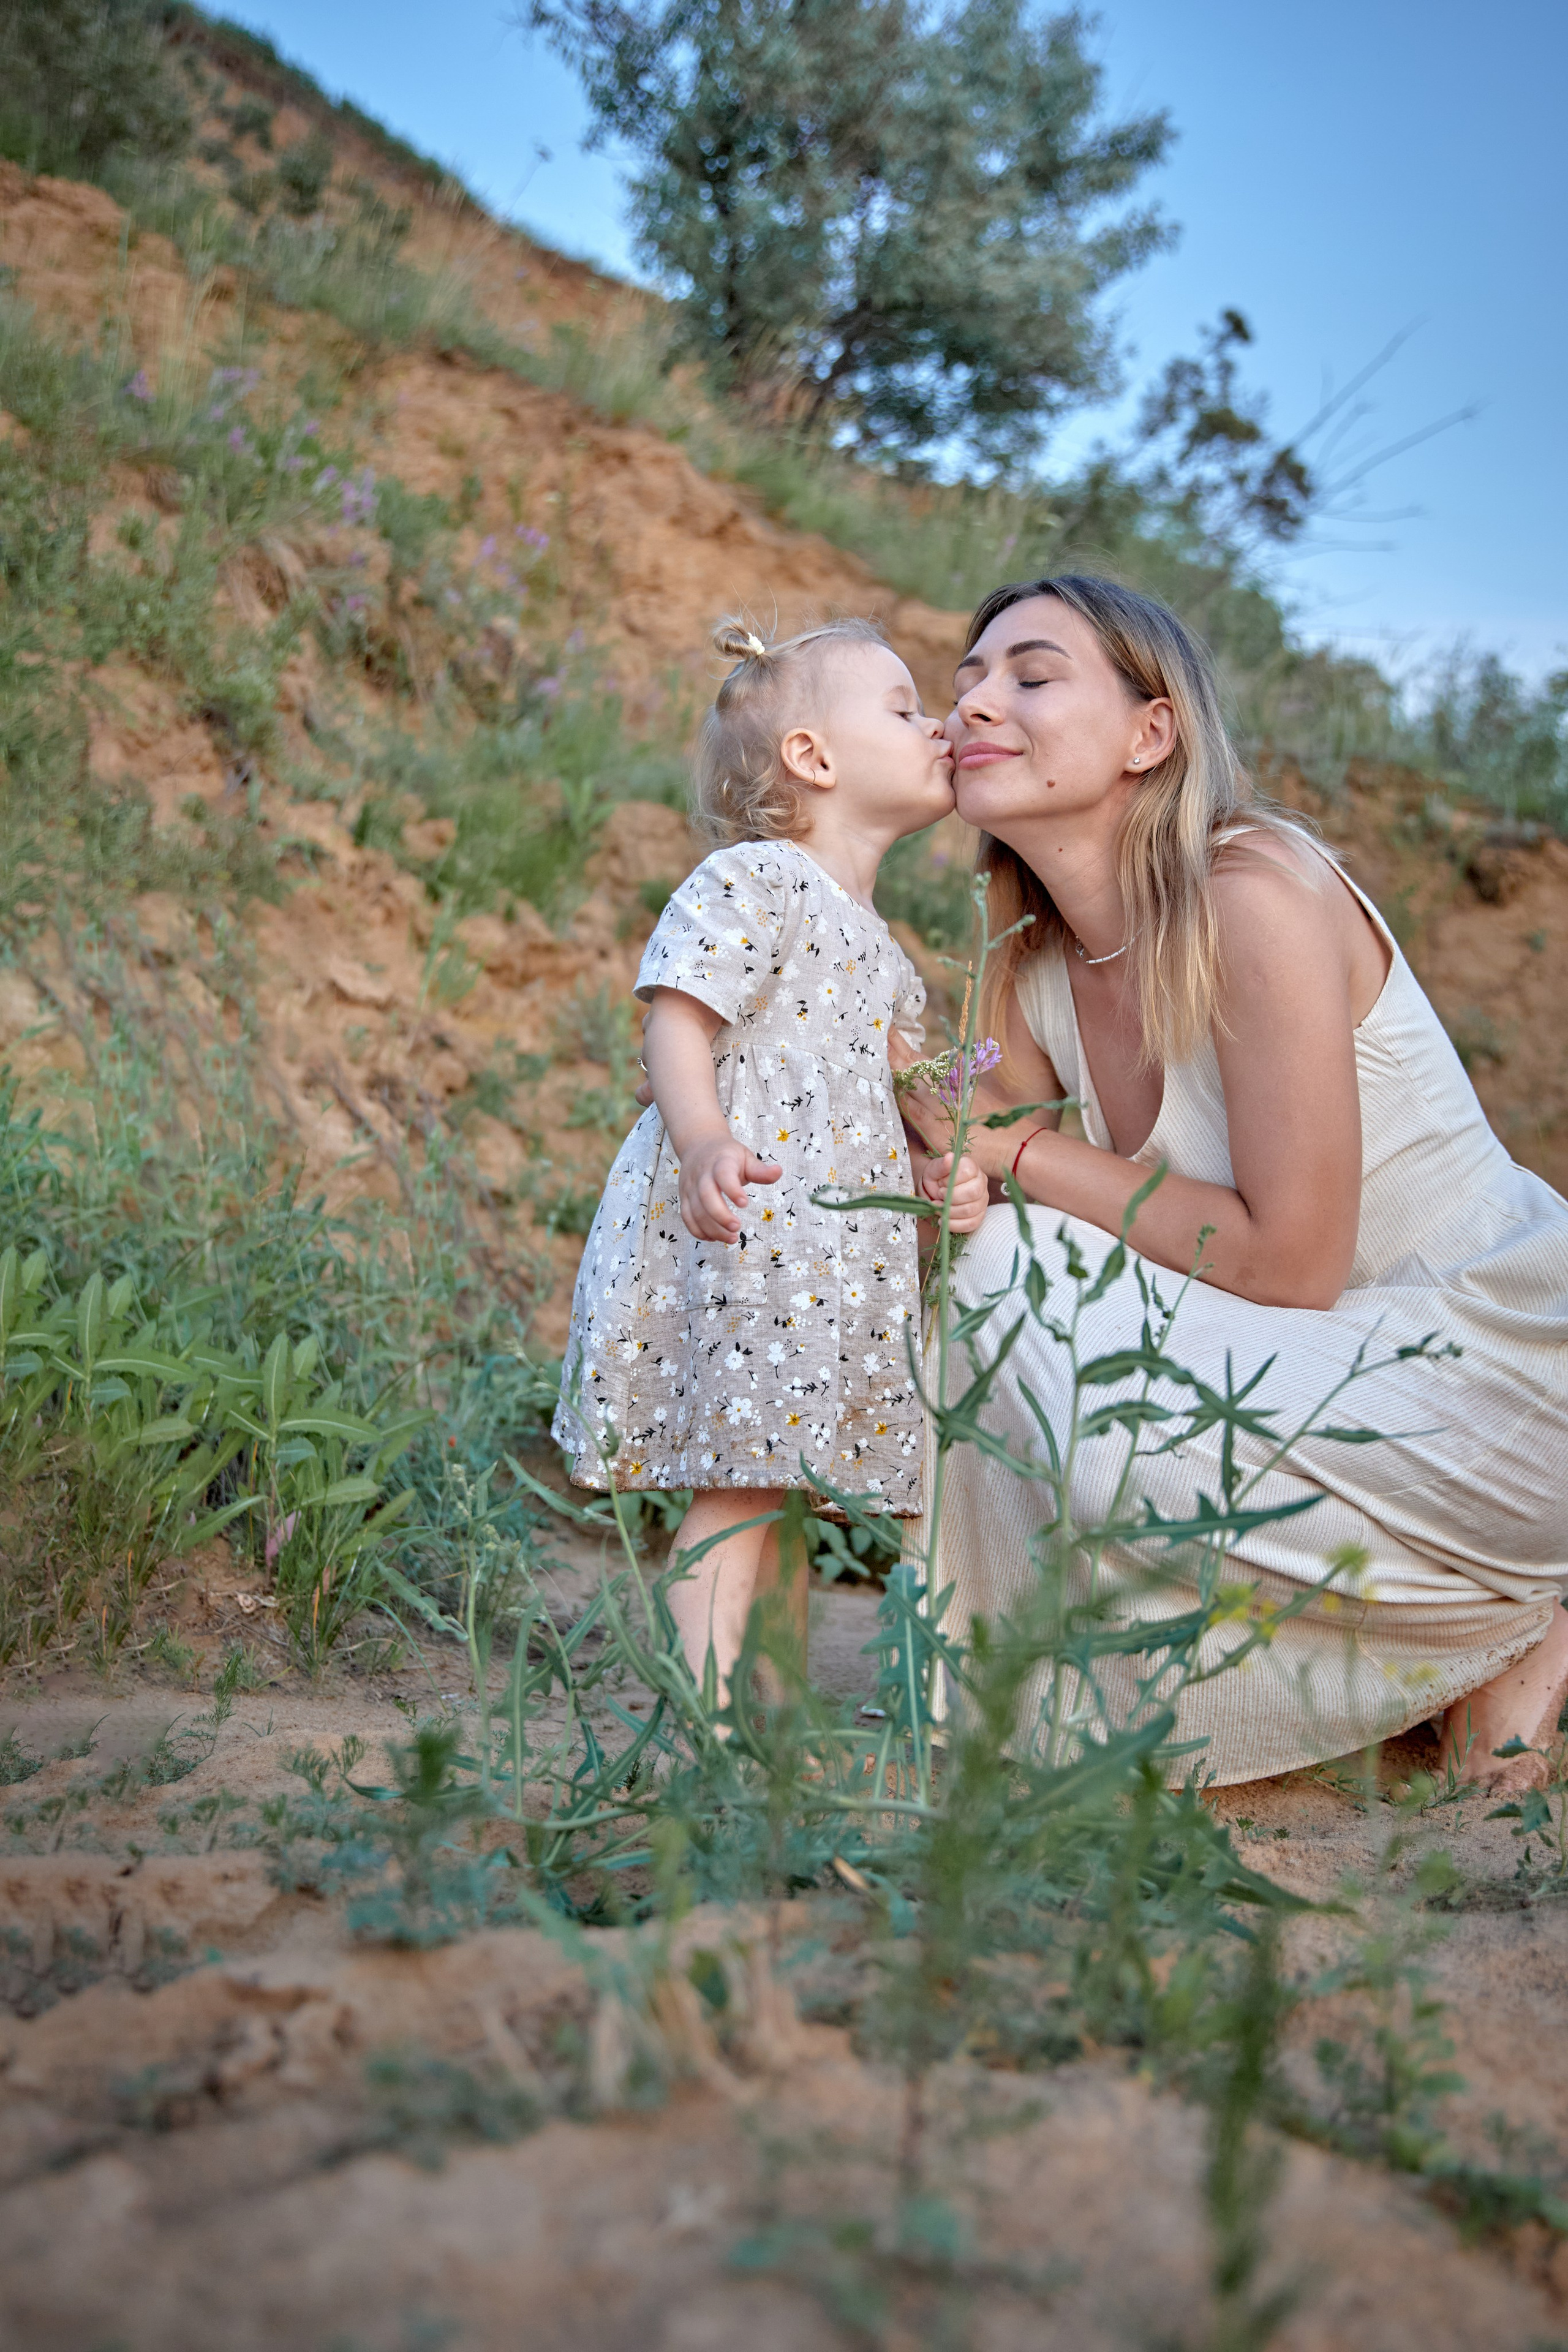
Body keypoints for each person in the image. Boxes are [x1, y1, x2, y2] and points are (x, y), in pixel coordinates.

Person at [899, 573, 1568, 1792]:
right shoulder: (1026, 951)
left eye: (1031, 677)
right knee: (993, 1281)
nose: (975, 705)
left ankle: (1520, 1600)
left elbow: (1288, 1263)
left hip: (1499, 1362)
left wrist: (1008, 1153)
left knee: (1036, 1296)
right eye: (963, 685)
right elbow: (963, 1182)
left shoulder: (1251, 891)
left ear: (1150, 734)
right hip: (1314, 1381)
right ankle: (1421, 1649)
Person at [554, 617, 989, 1698]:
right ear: (813, 758)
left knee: (788, 1479)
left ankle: (775, 1710)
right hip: (751, 1225)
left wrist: (947, 1163)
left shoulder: (882, 947)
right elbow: (678, 1017)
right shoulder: (757, 879)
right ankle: (697, 1717)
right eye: (902, 708)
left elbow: (908, 1093)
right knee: (745, 1483)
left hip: (829, 1262)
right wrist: (703, 1137)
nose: (936, 721)